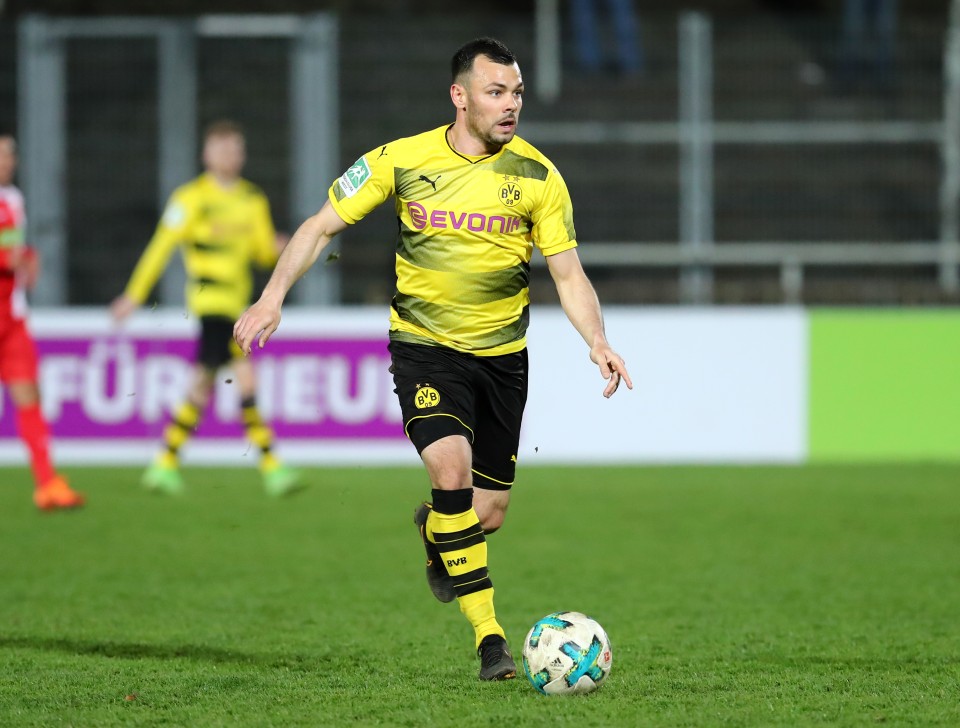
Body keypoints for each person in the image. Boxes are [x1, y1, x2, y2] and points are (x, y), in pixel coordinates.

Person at [234, 38, 632, 681]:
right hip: (425, 349)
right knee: (451, 472)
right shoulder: (401, 159)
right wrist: (272, 296)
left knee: (485, 513)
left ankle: (434, 532)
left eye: (517, 93)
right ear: (460, 96)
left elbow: (568, 272)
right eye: (496, 92)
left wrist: (597, 340)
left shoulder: (538, 176)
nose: (510, 105)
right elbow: (320, 226)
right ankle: (491, 641)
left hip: (502, 360)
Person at [111, 120, 300, 497]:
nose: (230, 155)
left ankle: (165, 462)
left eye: (235, 149)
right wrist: (134, 294)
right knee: (242, 377)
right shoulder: (190, 198)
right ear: (206, 154)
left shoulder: (252, 199)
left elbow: (261, 252)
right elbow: (161, 247)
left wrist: (276, 248)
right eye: (222, 149)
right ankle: (271, 466)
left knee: (204, 382)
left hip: (239, 304)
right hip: (210, 302)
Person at [0, 133, 85, 511]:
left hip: (12, 318)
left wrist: (28, 258)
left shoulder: (14, 198)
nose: (5, 161)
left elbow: (14, 250)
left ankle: (47, 483)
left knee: (29, 396)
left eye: (9, 155)